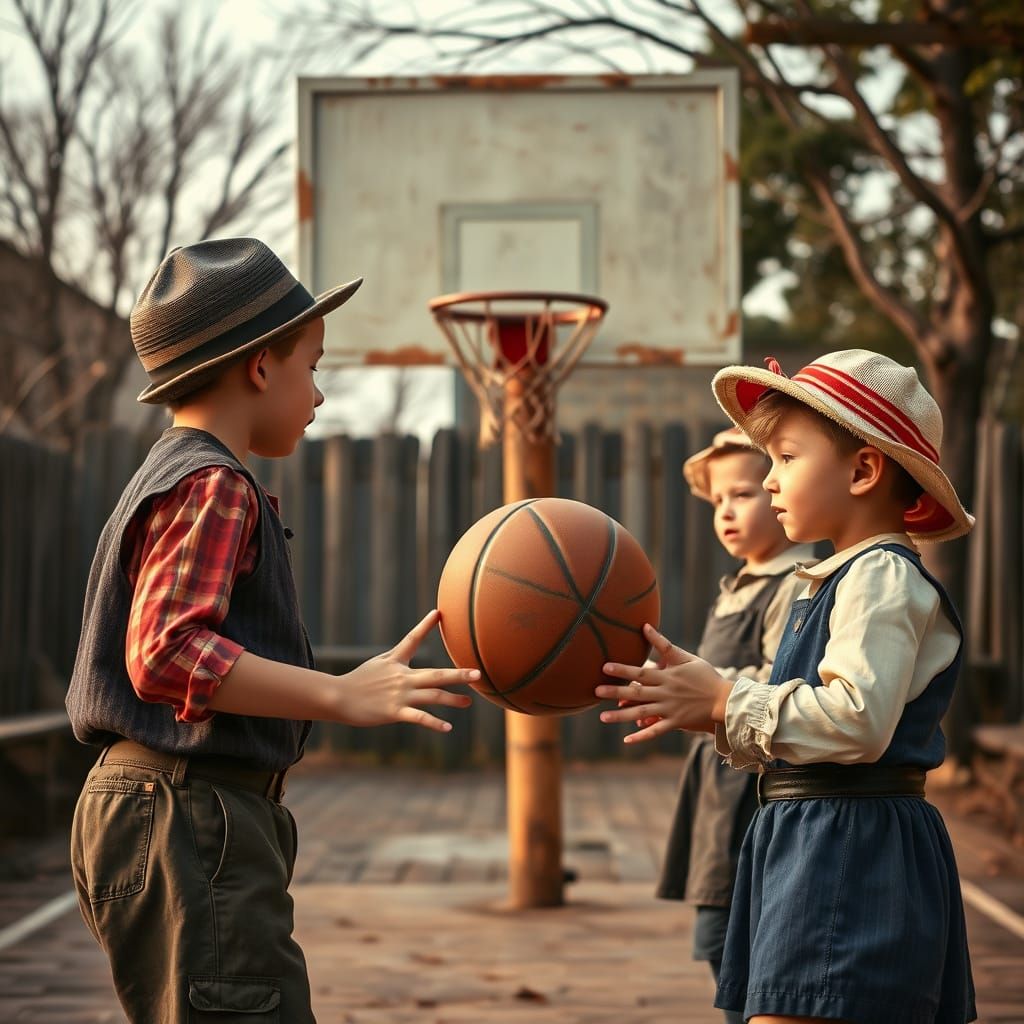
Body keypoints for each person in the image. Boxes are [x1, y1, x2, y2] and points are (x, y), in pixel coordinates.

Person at [65, 238, 478, 1024]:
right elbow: (166, 652)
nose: (319, 393)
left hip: (162, 807)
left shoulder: (168, 474)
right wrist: (340, 696)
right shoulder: (213, 483)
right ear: (261, 366)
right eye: (313, 366)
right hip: (190, 814)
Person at [597, 350, 976, 1024]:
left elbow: (856, 720)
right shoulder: (839, 577)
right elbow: (792, 695)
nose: (770, 481)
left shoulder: (881, 578)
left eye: (786, 458)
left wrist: (723, 701)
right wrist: (709, 690)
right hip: (810, 835)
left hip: (851, 846)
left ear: (863, 470)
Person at [657, 426, 816, 1024]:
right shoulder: (737, 586)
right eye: (719, 499)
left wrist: (705, 686)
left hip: (751, 789)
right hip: (716, 791)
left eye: (744, 494)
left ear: (780, 494)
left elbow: (780, 683)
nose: (726, 510)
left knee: (743, 940)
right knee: (719, 940)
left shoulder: (795, 585)